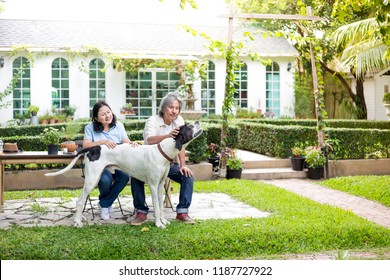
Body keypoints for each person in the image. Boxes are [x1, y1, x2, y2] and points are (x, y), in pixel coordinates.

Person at [129, 92, 195, 225]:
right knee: (136, 176)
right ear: (164, 108)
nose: (174, 111)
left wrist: (183, 165)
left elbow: (180, 145)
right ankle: (141, 212)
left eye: (177, 108)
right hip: (149, 164)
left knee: (187, 176)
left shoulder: (179, 120)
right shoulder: (153, 121)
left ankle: (182, 211)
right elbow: (149, 140)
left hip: (169, 165)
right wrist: (168, 136)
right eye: (171, 107)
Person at [83, 100, 135, 220]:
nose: (107, 116)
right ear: (96, 118)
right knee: (106, 180)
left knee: (125, 176)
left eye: (108, 112)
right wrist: (103, 142)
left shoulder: (119, 126)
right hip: (98, 164)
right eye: (103, 114)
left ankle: (104, 203)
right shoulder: (90, 128)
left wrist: (132, 143)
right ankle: (106, 203)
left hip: (117, 163)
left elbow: (125, 141)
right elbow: (86, 145)